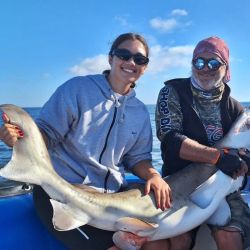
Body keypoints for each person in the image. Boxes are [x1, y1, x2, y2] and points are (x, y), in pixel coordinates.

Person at [0, 33, 172, 250]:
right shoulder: (77, 90)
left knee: (160, 246)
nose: (131, 62)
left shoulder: (140, 112)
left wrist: (153, 175)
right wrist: (19, 138)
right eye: (124, 55)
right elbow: (46, 134)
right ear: (111, 58)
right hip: (62, 193)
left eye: (139, 59)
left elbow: (138, 158)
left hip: (110, 201)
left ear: (145, 68)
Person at [155, 36, 250, 250]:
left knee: (231, 236)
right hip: (179, 185)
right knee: (178, 239)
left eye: (214, 62)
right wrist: (217, 157)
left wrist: (245, 163)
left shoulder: (235, 108)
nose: (205, 68)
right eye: (199, 61)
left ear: (226, 68)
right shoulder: (172, 93)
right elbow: (170, 139)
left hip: (222, 186)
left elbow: (244, 152)